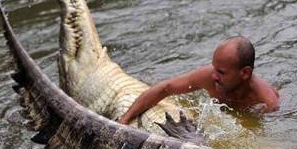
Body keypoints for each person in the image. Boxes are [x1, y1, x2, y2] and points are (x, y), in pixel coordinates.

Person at [118, 36, 279, 125]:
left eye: (221, 72)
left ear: (244, 73)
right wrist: (125, 119)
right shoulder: (208, 76)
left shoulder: (266, 102)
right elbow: (165, 88)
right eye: (214, 67)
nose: (214, 76)